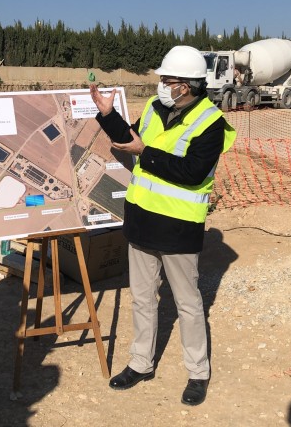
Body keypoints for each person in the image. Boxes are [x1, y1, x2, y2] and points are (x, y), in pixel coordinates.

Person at [89, 45, 236, 407]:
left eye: (167, 80)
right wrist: (108, 116)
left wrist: (144, 154)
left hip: (178, 228)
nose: (161, 86)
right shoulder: (156, 110)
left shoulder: (210, 123)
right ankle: (140, 363)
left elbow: (192, 172)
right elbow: (132, 139)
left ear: (186, 85)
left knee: (187, 303)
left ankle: (198, 372)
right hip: (142, 222)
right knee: (142, 299)